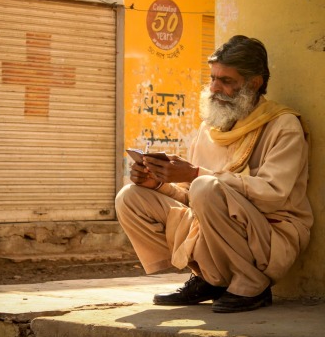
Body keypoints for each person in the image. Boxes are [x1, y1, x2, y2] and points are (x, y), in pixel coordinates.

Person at [115, 35, 313, 313]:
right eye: (212, 79)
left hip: (270, 234)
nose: (215, 88)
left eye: (226, 81)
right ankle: (209, 277)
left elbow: (274, 196)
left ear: (254, 84)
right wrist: (159, 184)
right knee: (131, 196)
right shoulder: (210, 128)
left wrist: (196, 174)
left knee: (205, 186)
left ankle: (252, 282)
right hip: (212, 225)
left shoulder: (283, 125)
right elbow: (194, 198)